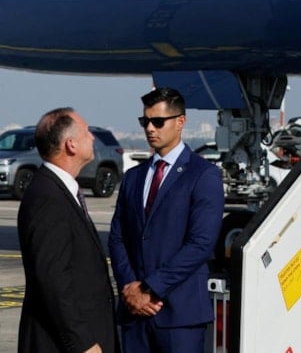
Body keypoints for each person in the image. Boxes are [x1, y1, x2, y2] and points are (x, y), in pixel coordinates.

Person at [109, 87, 224, 352]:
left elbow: (201, 244)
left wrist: (151, 289)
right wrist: (130, 289)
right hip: (134, 314)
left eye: (158, 121)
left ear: (180, 122)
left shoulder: (203, 175)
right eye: (145, 121)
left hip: (179, 316)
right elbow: (118, 237)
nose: (150, 128)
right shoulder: (133, 177)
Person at [17, 108, 119, 353]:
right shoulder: (48, 198)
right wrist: (82, 342)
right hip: (65, 344)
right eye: (86, 132)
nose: (92, 137)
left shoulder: (59, 190)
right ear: (71, 144)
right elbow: (53, 280)